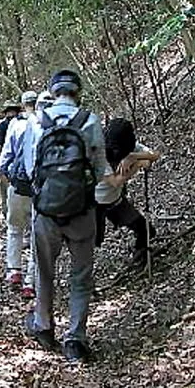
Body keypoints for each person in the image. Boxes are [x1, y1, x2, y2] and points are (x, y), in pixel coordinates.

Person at [23, 69, 126, 363]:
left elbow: (32, 169)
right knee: (81, 276)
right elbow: (98, 168)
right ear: (78, 92)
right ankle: (75, 341)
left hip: (45, 214)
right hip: (82, 211)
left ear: (53, 92)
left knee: (44, 270)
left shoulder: (37, 122)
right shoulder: (89, 120)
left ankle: (43, 327)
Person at [0, 90, 54, 298]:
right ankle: (30, 282)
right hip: (41, 188)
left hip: (18, 185)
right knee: (37, 234)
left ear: (22, 104)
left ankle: (14, 271)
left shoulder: (15, 124)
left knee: (14, 228)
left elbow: (6, 154)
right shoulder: (49, 124)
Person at [96, 118, 161, 269]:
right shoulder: (98, 152)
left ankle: (140, 256)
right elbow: (115, 181)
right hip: (94, 205)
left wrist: (133, 157)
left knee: (146, 231)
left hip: (116, 202)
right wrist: (138, 164)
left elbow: (155, 154)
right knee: (91, 242)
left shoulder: (130, 147)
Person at [0, 102, 21, 216]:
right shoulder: (5, 126)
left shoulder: (9, 125)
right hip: (14, 167)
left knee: (8, 196)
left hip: (10, 166)